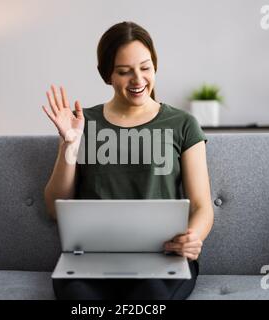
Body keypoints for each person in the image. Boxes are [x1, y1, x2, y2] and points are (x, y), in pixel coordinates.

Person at [42, 21, 214, 300]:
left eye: (145, 68)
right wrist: (70, 145)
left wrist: (192, 238)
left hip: (164, 258)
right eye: (124, 72)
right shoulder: (81, 123)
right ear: (107, 75)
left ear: (155, 66)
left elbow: (201, 205)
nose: (138, 80)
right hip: (91, 260)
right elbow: (54, 208)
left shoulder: (183, 124)